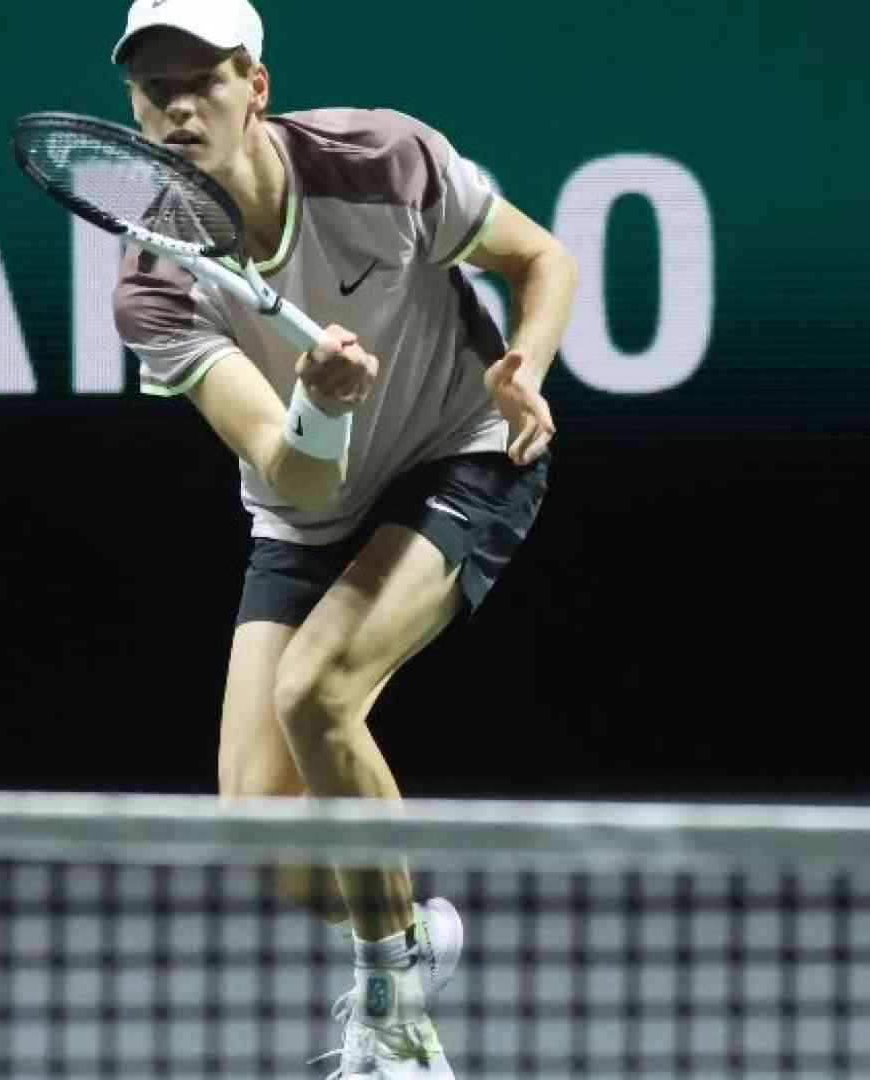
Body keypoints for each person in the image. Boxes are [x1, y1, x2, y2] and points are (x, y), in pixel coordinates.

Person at [107, 0, 577, 1075]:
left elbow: (541, 257)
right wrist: (322, 407)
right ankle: (408, 932)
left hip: (459, 453)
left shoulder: (382, 161)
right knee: (262, 837)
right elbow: (295, 470)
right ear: (132, 109)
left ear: (256, 86)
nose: (179, 107)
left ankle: (395, 1016)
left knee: (316, 691)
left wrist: (525, 369)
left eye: (204, 80)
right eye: (154, 88)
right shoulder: (155, 282)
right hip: (309, 508)